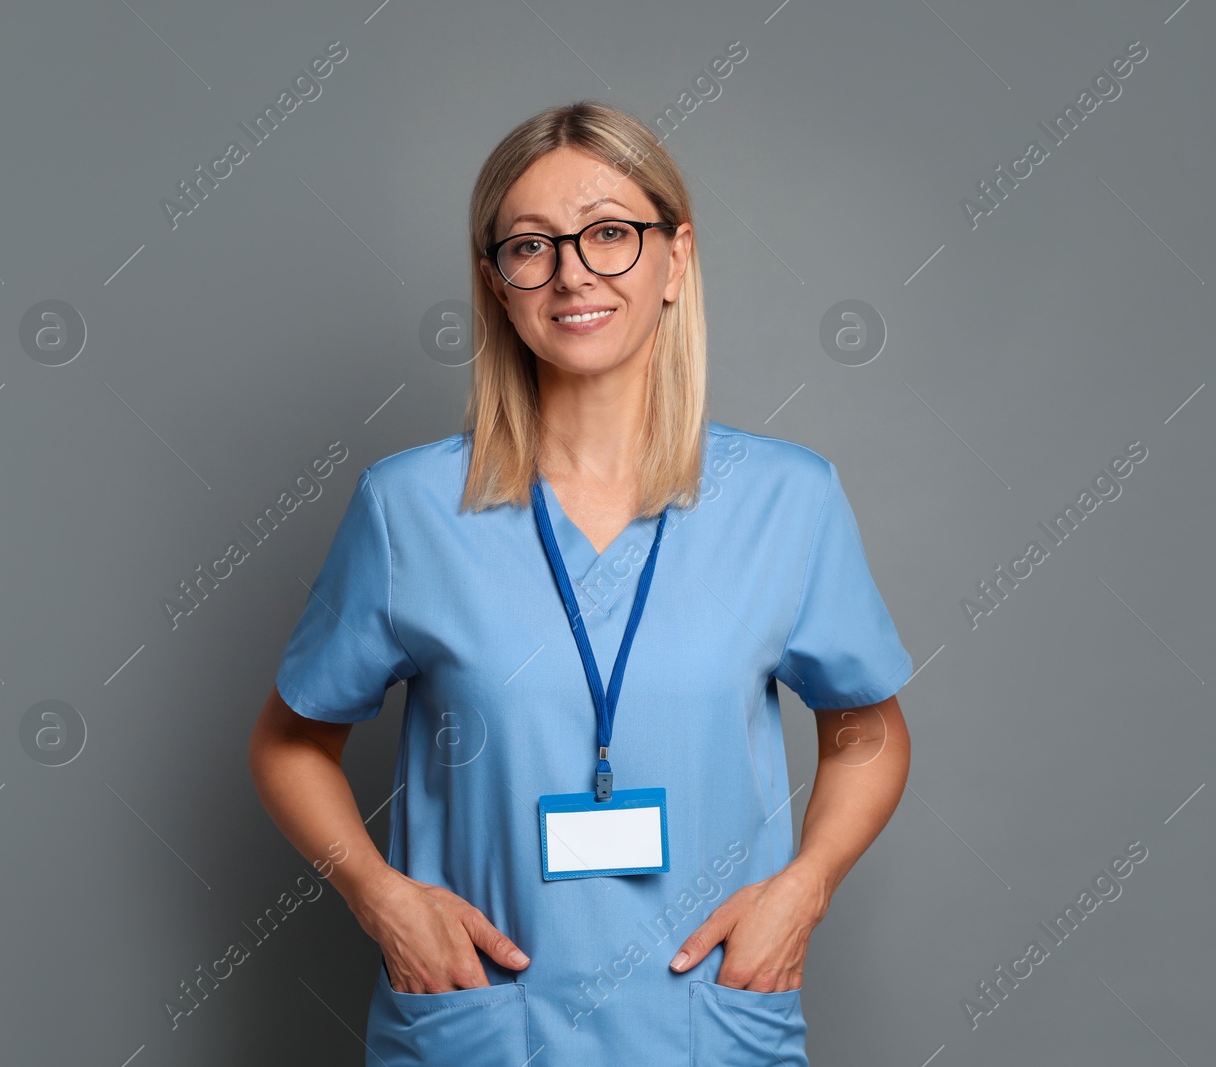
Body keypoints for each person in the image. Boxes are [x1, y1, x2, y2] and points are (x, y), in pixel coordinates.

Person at [247, 100, 913, 1066]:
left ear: (676, 258)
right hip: (482, 1027)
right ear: (497, 282)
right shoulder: (410, 510)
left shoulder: (787, 499)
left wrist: (804, 886)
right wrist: (381, 896)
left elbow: (869, 733)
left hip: (705, 1025)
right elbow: (289, 742)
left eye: (610, 235)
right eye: (532, 246)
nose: (572, 275)